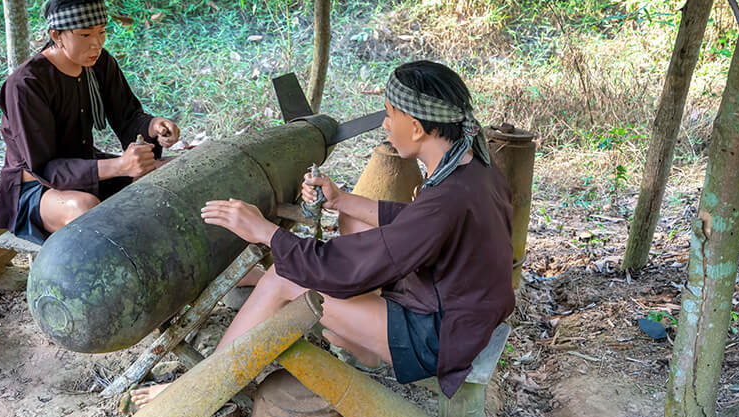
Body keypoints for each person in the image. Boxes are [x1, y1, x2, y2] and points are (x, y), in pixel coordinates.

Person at [201, 60, 514, 397]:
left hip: (441, 337)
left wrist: (264, 231)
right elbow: (419, 224)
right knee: (354, 219)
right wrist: (341, 200)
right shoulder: (473, 164)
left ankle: (204, 390)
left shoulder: (446, 199)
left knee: (281, 279)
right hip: (463, 307)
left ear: (416, 127)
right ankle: (362, 349)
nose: (384, 124)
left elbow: (343, 268)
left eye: (389, 114)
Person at [0, 0, 181, 244]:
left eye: (102, 32)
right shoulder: (26, 85)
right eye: (85, 35)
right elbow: (45, 167)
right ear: (57, 35)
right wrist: (119, 166)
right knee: (85, 208)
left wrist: (153, 126)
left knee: (174, 174)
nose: (97, 43)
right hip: (38, 188)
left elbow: (127, 118)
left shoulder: (99, 63)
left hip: (88, 169)